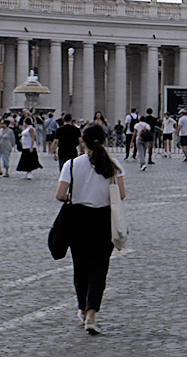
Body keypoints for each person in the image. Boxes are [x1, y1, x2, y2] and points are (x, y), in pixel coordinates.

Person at [56, 124, 125, 335]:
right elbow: (121, 194)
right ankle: (91, 314)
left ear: (82, 141)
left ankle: (81, 307)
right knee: (98, 269)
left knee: (80, 267)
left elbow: (60, 195)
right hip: (103, 220)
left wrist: (77, 196)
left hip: (78, 219)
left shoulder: (72, 164)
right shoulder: (113, 164)